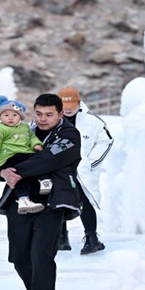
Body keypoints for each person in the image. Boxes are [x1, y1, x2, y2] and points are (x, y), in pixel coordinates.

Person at [0, 94, 81, 290]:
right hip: (19, 200)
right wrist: (2, 171)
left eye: (49, 114)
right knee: (19, 256)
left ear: (61, 114)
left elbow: (48, 161)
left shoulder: (69, 135)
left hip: (52, 200)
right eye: (39, 114)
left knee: (41, 254)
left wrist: (13, 169)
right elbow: (0, 160)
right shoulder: (23, 131)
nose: (43, 119)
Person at [57, 87, 114, 255]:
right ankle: (61, 237)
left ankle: (92, 238)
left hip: (81, 169)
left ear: (79, 103)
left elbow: (106, 141)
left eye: (71, 105)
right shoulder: (51, 118)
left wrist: (90, 162)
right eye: (64, 104)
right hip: (58, 167)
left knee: (84, 200)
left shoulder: (93, 121)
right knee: (57, 200)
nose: (67, 108)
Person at [0, 95, 50, 214]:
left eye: (14, 115)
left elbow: (31, 138)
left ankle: (24, 199)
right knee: (33, 164)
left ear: (20, 117)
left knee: (24, 174)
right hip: (9, 157)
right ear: (0, 116)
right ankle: (43, 180)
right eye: (6, 115)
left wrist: (36, 145)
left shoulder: (24, 127)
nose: (10, 118)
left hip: (24, 156)